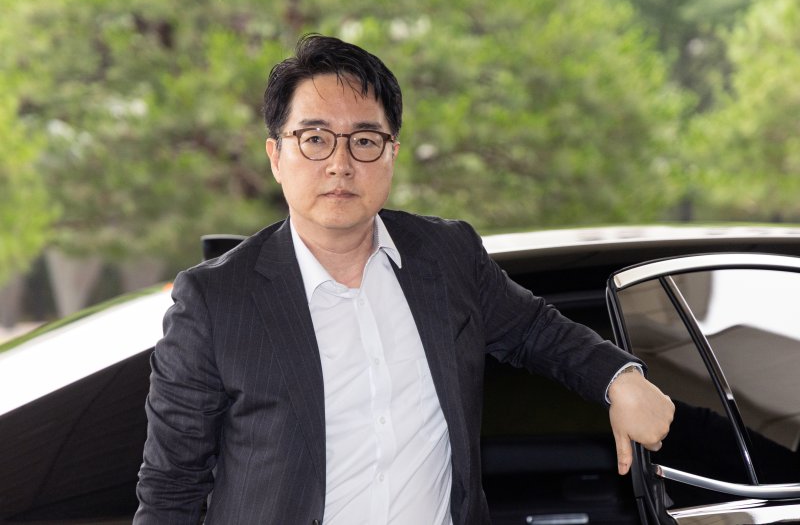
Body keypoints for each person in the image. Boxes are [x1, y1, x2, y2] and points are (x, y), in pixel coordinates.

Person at [134, 34, 674, 525]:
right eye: (315, 138)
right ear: (276, 155)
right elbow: (171, 488)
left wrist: (620, 378)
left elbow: (535, 329)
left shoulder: (445, 255)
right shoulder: (215, 301)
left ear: (392, 153)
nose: (341, 163)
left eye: (365, 140)